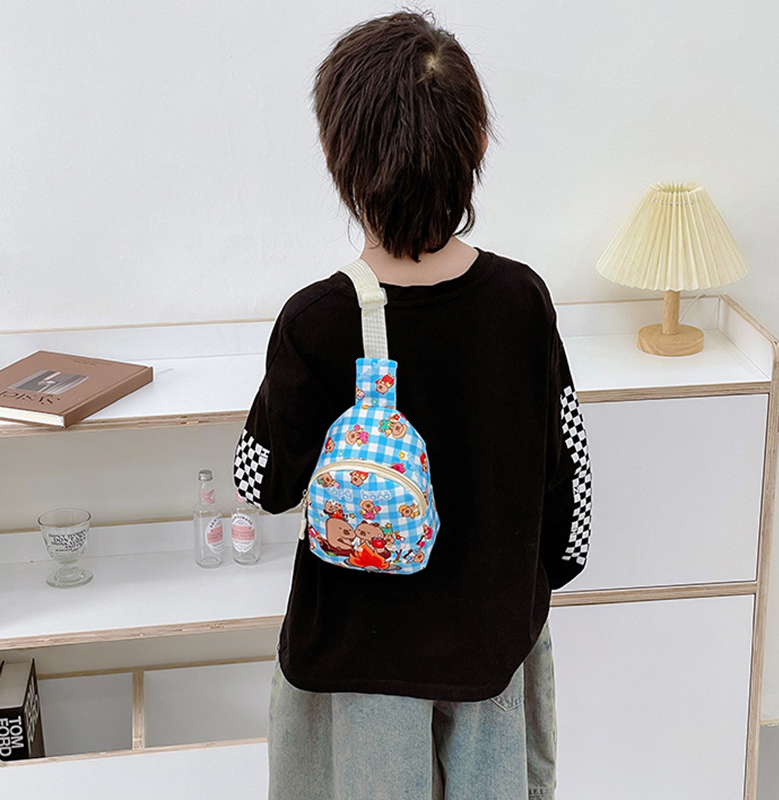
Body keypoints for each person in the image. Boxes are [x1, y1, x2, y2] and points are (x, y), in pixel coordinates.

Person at [234, 11, 591, 800]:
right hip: (489, 651)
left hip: (354, 658)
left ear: (337, 156)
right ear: (478, 147)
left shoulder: (314, 320)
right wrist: (529, 589)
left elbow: (265, 483)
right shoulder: (521, 301)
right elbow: (569, 478)